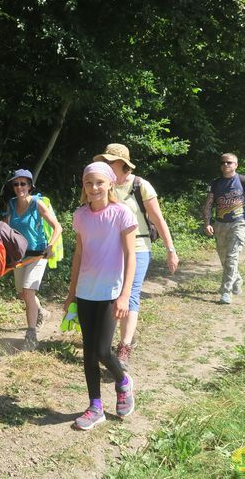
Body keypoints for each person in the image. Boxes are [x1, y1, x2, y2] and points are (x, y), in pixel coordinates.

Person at [64, 162, 137, 431]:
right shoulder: (80, 215)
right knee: (88, 352)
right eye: (88, 183)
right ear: (83, 186)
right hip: (85, 291)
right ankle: (95, 406)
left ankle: (123, 382)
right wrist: (71, 292)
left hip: (110, 292)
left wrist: (124, 295)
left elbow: (131, 257)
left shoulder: (122, 214)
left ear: (110, 184)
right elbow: (79, 255)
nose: (94, 188)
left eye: (99, 182)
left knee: (104, 350)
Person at [93, 144, 179, 369]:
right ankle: (107, 342)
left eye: (109, 161)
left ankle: (124, 348)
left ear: (122, 164)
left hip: (139, 247)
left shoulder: (141, 186)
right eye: (104, 161)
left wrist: (170, 250)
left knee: (129, 295)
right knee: (111, 296)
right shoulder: (103, 186)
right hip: (111, 249)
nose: (106, 165)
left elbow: (158, 219)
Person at [5, 169, 62, 350]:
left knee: (28, 291)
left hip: (38, 254)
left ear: (30, 186)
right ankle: (42, 313)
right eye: (16, 184)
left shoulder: (37, 203)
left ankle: (31, 336)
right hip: (19, 255)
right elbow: (5, 230)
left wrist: (50, 246)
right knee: (22, 293)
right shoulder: (12, 204)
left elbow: (57, 227)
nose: (19, 187)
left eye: (23, 184)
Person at [203, 153, 245, 304]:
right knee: (224, 258)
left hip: (238, 224)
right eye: (223, 162)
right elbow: (208, 205)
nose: (226, 165)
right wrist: (207, 223)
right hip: (220, 224)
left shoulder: (244, 181)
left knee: (232, 257)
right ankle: (237, 280)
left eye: (229, 162)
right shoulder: (216, 183)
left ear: (236, 165)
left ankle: (226, 291)